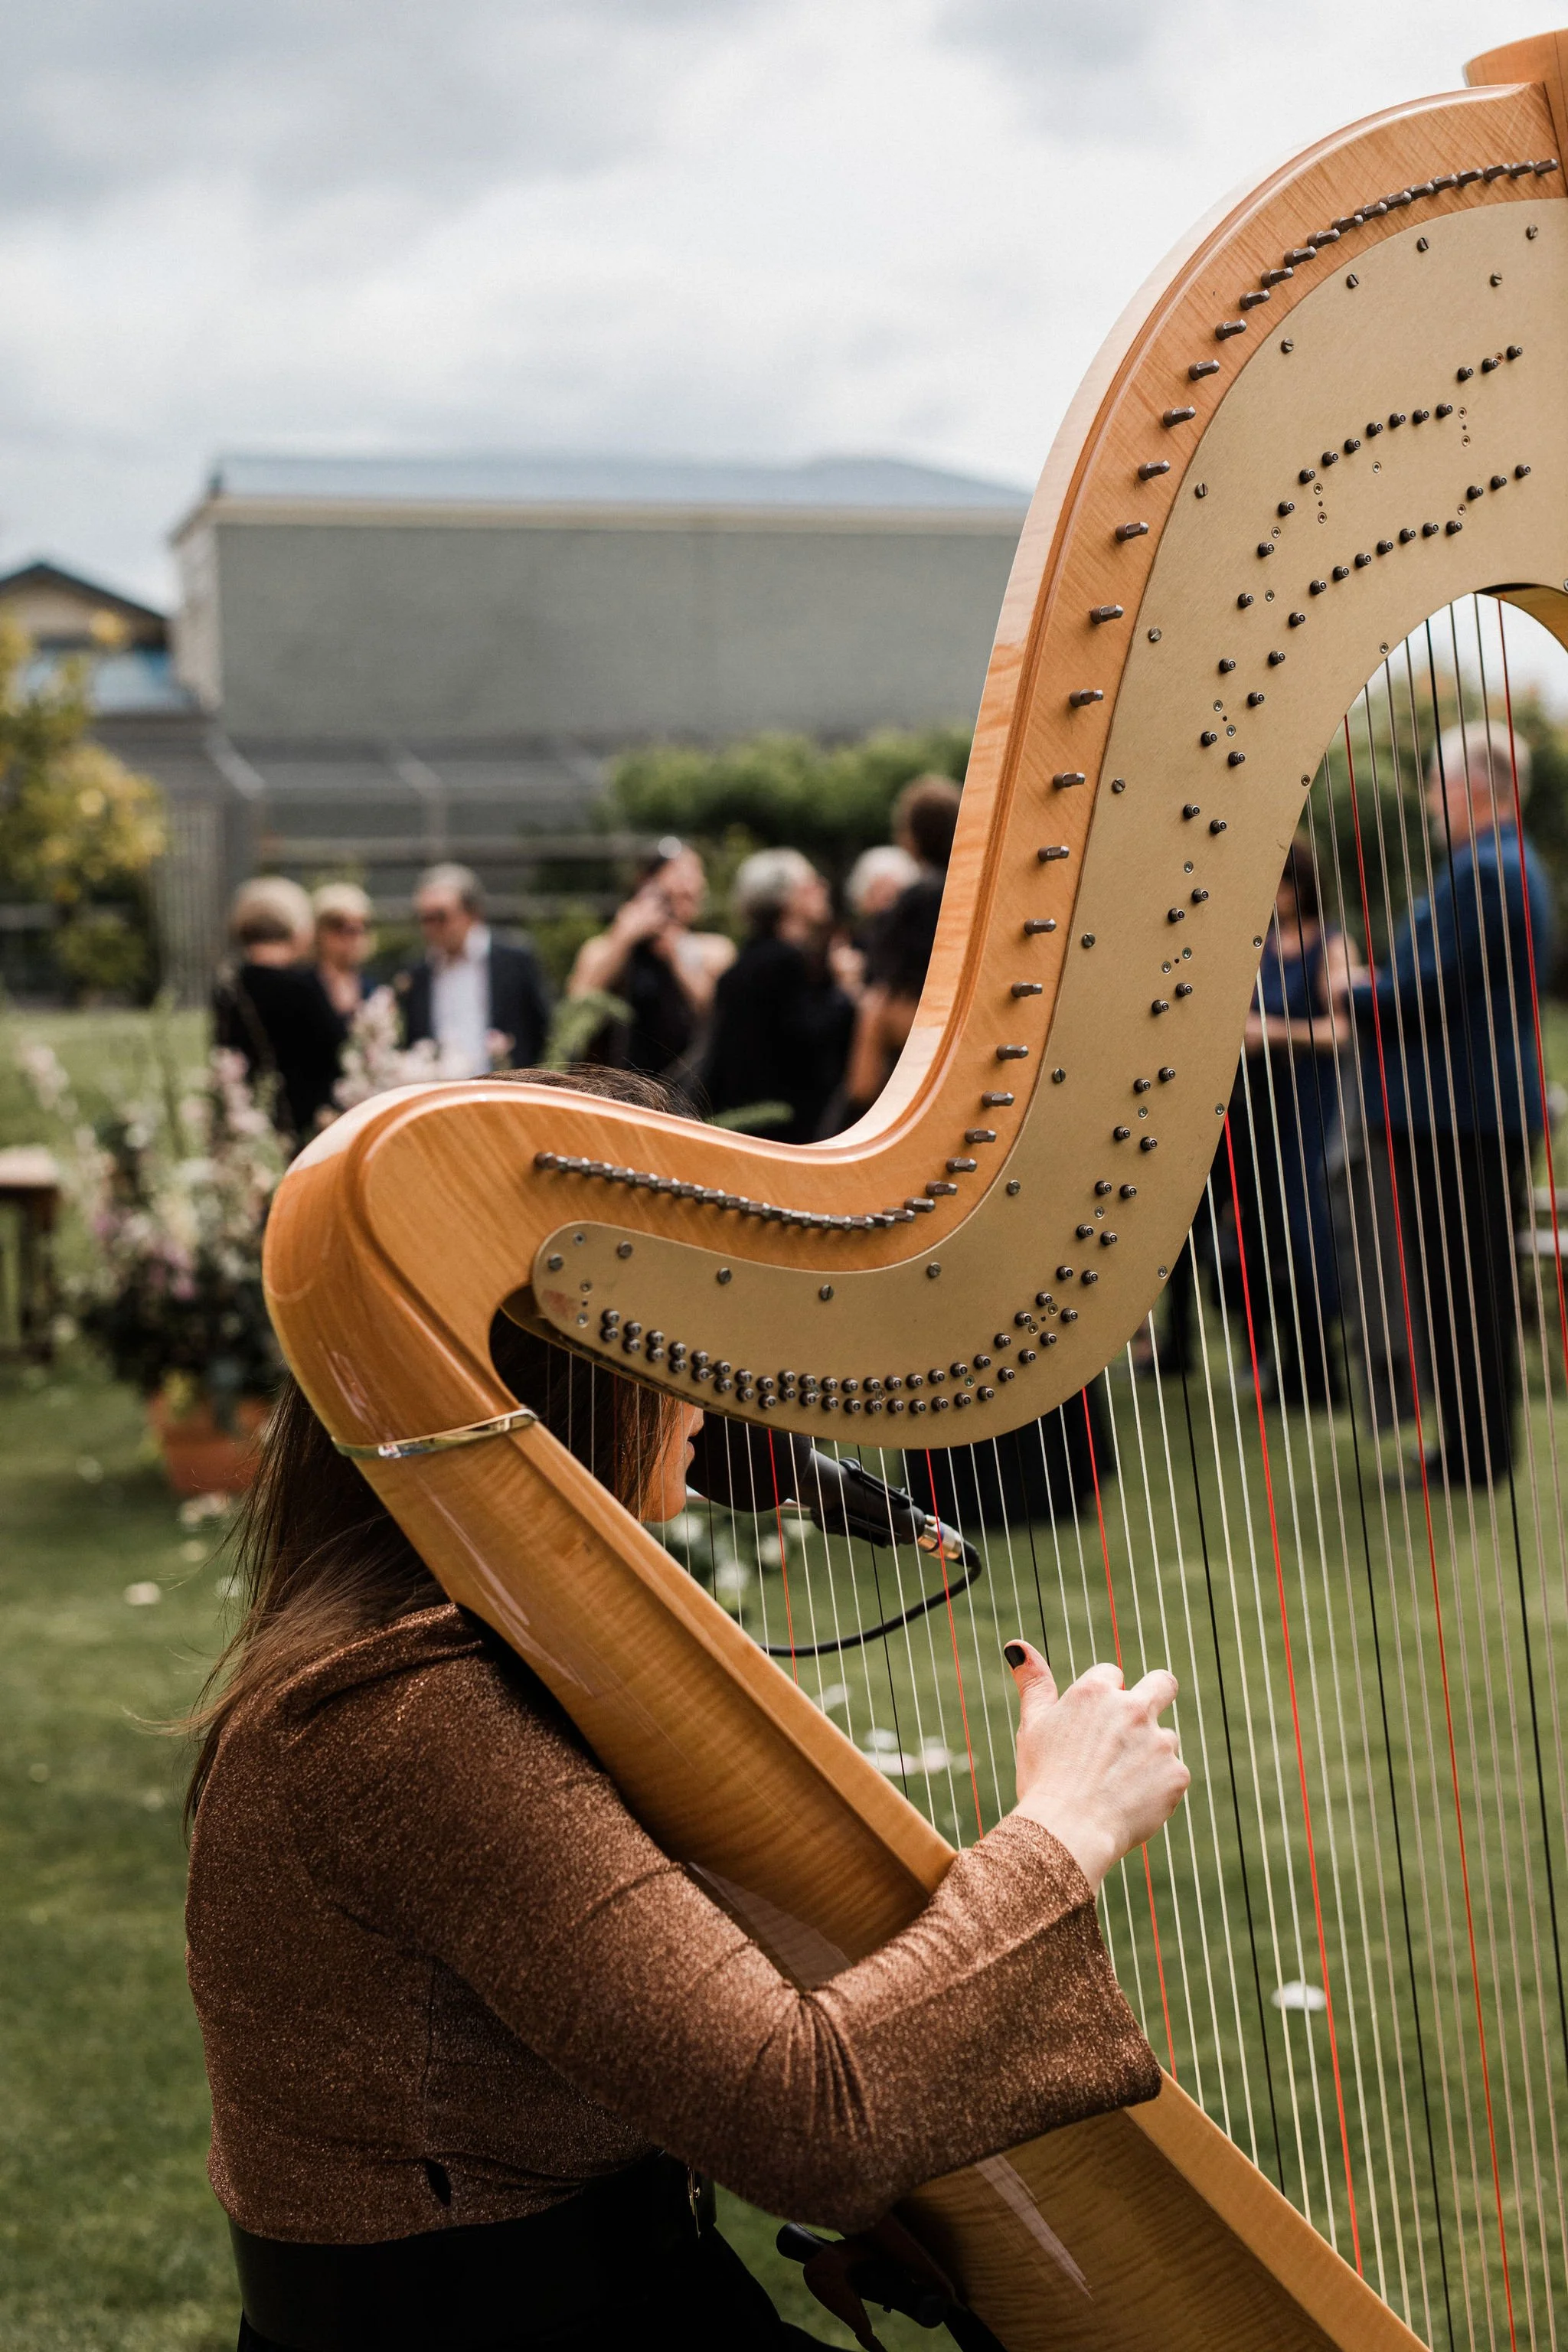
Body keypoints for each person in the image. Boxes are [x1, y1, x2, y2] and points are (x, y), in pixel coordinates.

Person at [183, 1068, 1188, 2352]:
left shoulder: (447, 1638)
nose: (713, 1389)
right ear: (566, 1367)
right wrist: (1062, 1829)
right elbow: (807, 2117)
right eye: (676, 1333)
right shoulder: (404, 1717)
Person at [1345, 727, 1554, 1485]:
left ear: (1477, 789)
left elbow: (1421, 996)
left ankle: (1474, 1455)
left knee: (1464, 1290)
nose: (1428, 798)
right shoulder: (1505, 866)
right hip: (1467, 1110)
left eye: (1437, 781)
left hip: (1459, 1113)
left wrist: (1346, 986)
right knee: (1465, 1285)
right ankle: (1472, 1447)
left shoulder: (1486, 873)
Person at [1229, 848, 1355, 1406]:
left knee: (1309, 1233)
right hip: (1258, 1107)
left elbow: (1342, 1032)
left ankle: (1321, 1364)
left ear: (1304, 884)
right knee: (1261, 1234)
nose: (1275, 895)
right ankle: (1285, 1360)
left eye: (1283, 884)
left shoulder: (1333, 945)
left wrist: (1276, 1033)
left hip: (1312, 1104)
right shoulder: (1258, 948)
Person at [699, 849, 858, 1143]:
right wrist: (846, 992)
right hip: (779, 1131)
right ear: (787, 899)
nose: (823, 886)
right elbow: (810, 1036)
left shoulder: (751, 959)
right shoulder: (782, 961)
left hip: (743, 1122)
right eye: (812, 882)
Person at [841, 776, 962, 1119]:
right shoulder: (968, 888)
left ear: (914, 836)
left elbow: (888, 978)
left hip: (913, 1031)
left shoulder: (918, 898)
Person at [567, 839, 734, 1082]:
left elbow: (720, 1020)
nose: (695, 885)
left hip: (686, 1091)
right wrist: (623, 939)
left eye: (699, 874)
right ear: (647, 884)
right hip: (615, 1090)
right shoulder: (604, 948)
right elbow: (576, 1008)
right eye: (683, 874)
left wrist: (677, 954)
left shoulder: (712, 950)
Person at [214, 878, 349, 1146]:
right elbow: (338, 1048)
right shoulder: (304, 984)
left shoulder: (229, 986)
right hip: (308, 1125)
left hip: (252, 1122)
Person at [397, 864, 552, 1077]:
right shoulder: (416, 974)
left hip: (507, 1093)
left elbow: (543, 1031)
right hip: (439, 1098)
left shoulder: (515, 961)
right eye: (425, 918)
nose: (431, 927)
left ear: (472, 913)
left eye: (440, 916)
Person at [313, 884, 375, 1022]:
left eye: (361, 926)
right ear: (319, 931)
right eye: (337, 925)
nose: (351, 936)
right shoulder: (304, 986)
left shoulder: (371, 990)